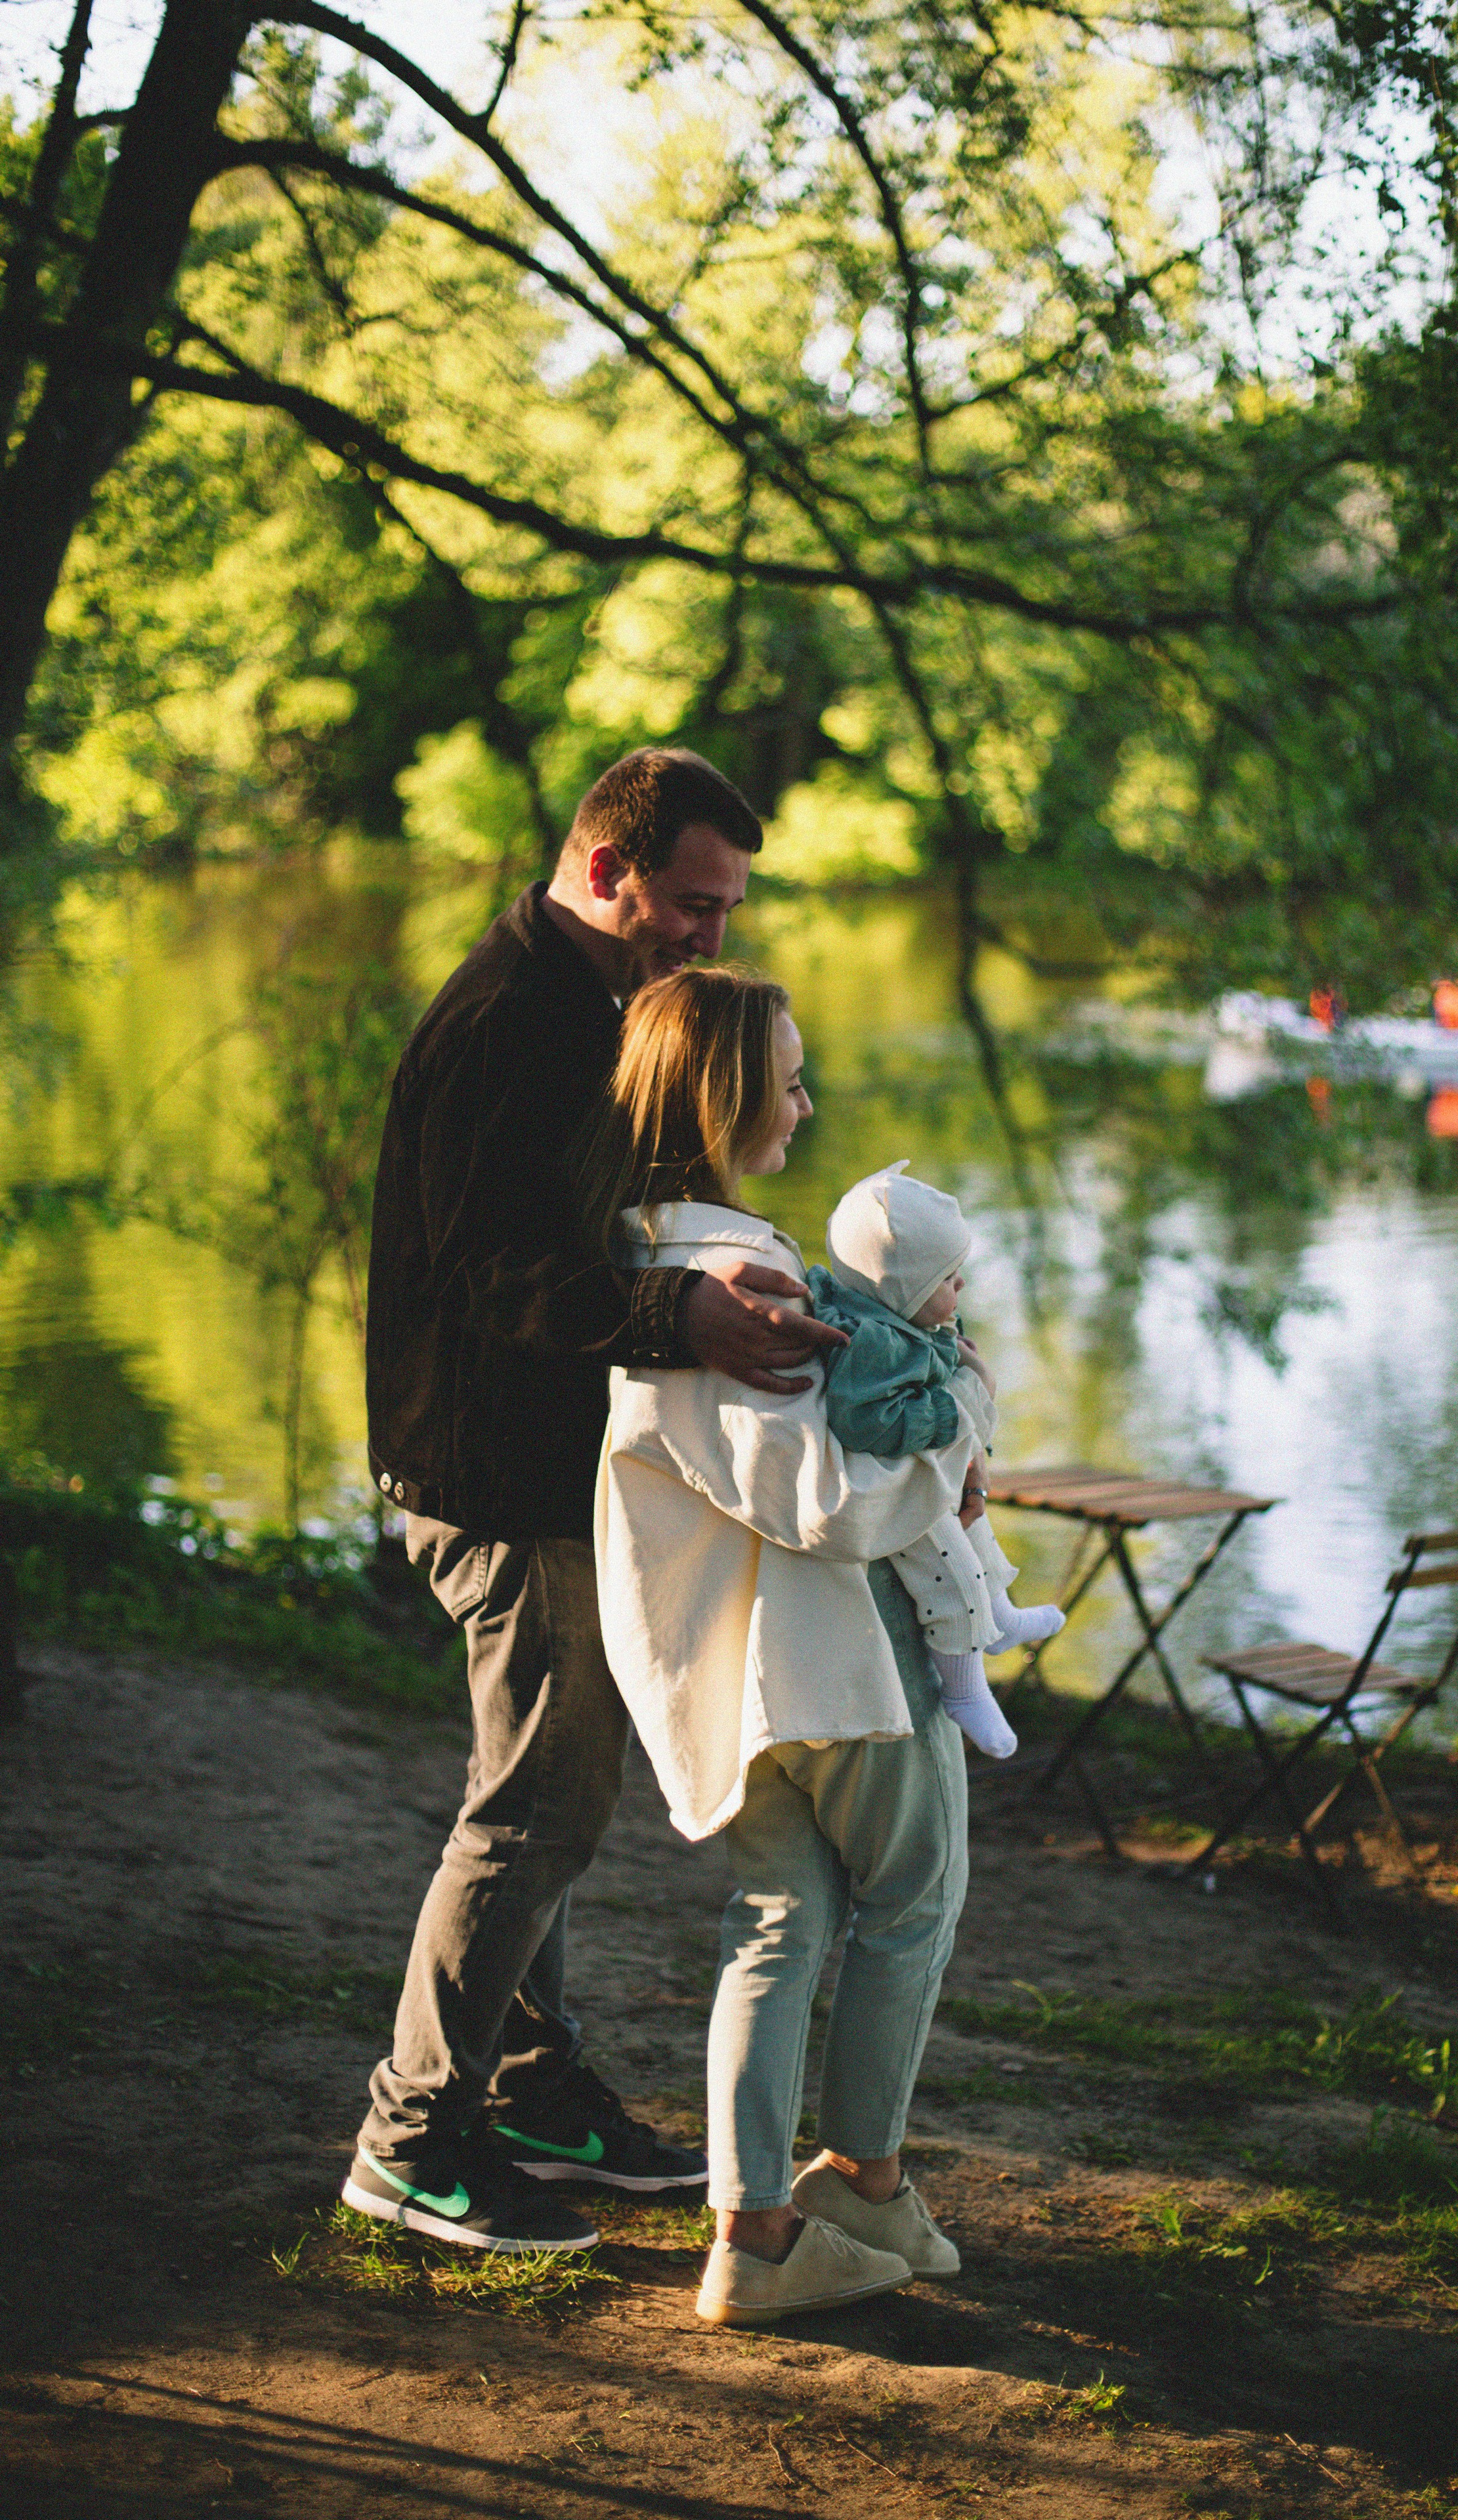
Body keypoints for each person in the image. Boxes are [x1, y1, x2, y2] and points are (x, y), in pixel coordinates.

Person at [342, 748, 847, 2256]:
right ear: (606, 864)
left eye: (724, 908)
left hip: (549, 1464)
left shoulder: (595, 1003)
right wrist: (676, 1313)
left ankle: (536, 2090)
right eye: (692, 903)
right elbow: (489, 1271)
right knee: (545, 1800)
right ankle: (408, 2133)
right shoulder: (507, 1022)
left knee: (539, 1788)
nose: (708, 934)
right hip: (487, 1475)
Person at [590, 965, 996, 2324]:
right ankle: (863, 2185)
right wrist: (952, 1438)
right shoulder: (735, 1274)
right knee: (913, 1903)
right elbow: (817, 1502)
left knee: (775, 1926)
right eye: (789, 1075)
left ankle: (755, 2232)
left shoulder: (638, 1267)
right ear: (724, 1096)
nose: (807, 1101)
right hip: (836, 1670)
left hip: (740, 1678)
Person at [807, 1160, 1065, 1761]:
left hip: (915, 1476)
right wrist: (954, 1412)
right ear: (904, 1290)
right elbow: (869, 1421)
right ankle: (965, 1690)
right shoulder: (874, 1345)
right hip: (890, 1490)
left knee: (977, 1534)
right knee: (951, 1579)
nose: (963, 1289)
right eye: (949, 1279)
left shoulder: (894, 1318)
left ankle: (999, 1617)